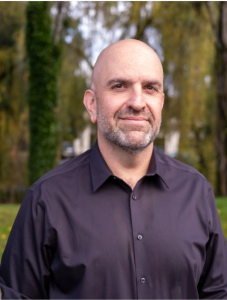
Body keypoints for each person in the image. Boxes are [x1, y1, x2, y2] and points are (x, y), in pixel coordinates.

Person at [0, 39, 227, 299]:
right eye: (120, 86)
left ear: (161, 103)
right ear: (92, 104)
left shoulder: (196, 192)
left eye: (150, 88)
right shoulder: (47, 200)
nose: (138, 102)